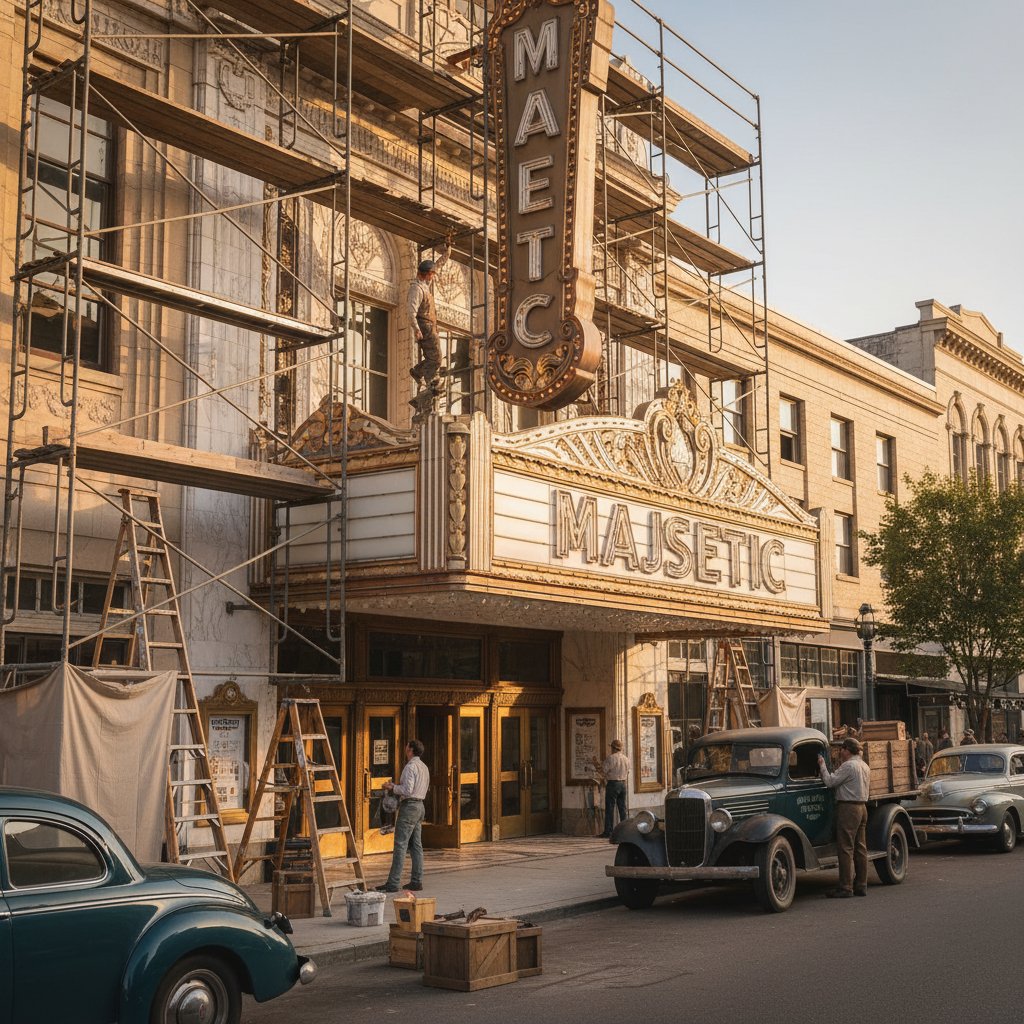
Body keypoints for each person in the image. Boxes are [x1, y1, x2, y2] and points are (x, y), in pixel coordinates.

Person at [817, 737, 871, 899]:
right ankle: (861, 884)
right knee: (860, 848)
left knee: (846, 848)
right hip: (862, 807)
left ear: (847, 750)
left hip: (848, 808)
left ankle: (845, 887)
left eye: (842, 749)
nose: (840, 752)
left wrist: (822, 765)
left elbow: (830, 782)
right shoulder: (864, 766)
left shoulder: (848, 766)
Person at [376, 739, 430, 893]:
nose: (405, 749)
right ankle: (416, 881)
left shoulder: (410, 767)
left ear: (410, 750)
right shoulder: (424, 767)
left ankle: (393, 883)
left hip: (410, 807)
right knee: (416, 845)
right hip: (420, 806)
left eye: (407, 747)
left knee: (400, 845)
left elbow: (407, 790)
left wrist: (392, 787)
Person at [407, 243, 451, 386]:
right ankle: (429, 381)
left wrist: (447, 252)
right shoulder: (416, 289)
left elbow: (438, 265)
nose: (432, 277)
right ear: (425, 274)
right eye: (431, 274)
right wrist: (416, 329)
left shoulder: (425, 285)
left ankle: (418, 372)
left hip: (430, 325)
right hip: (424, 326)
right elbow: (411, 311)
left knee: (433, 356)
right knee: (436, 357)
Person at [598, 739, 629, 838]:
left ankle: (608, 831)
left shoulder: (611, 758)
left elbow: (603, 771)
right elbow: (628, 772)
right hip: (623, 784)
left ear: (613, 748)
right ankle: (625, 831)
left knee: (610, 808)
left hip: (613, 784)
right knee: (622, 808)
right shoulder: (626, 759)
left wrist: (599, 768)